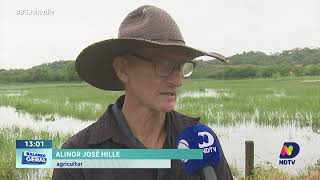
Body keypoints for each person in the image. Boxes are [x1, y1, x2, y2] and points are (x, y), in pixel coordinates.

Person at [53, 5, 233, 180]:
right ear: (123, 69)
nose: (177, 81)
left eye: (180, 67)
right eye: (164, 65)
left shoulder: (202, 142)